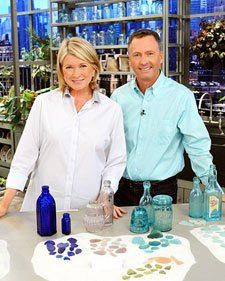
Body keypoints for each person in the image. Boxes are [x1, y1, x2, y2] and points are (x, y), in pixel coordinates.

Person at [0, 37, 126, 218]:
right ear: (61, 70)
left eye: (83, 65)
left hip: (87, 213)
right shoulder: (44, 104)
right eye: (69, 67)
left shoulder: (111, 110)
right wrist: (5, 204)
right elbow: (23, 159)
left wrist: (105, 197)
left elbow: (115, 162)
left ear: (94, 68)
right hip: (43, 211)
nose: (76, 74)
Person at [111, 28, 218, 206]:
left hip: (162, 193)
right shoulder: (118, 97)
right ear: (129, 60)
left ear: (161, 57)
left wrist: (213, 189)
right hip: (121, 190)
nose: (143, 61)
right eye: (136, 54)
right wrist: (105, 192)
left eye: (150, 53)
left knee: (163, 235)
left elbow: (197, 147)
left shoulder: (181, 96)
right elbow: (109, 147)